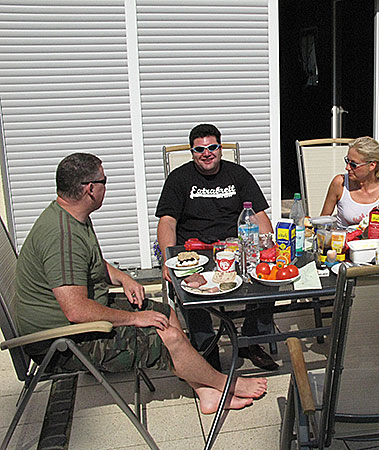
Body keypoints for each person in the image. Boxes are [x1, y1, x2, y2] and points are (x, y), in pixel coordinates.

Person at [14, 153, 267, 414]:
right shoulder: (62, 236)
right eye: (104, 181)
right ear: (90, 189)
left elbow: (89, 262)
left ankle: (206, 393)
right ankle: (227, 384)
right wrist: (135, 318)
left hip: (76, 323)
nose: (105, 186)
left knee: (165, 313)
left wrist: (123, 278)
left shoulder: (71, 215)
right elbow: (76, 310)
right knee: (169, 337)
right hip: (62, 343)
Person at [156, 123, 278, 371]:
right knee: (188, 287)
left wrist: (268, 249)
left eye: (212, 147)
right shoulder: (179, 178)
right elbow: (167, 221)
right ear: (192, 152)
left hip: (235, 249)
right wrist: (168, 260)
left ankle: (251, 341)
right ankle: (207, 347)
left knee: (268, 277)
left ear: (220, 148)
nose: (207, 153)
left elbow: (258, 215)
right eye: (199, 149)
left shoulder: (238, 174)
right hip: (194, 253)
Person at [320, 136, 379, 228]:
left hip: (376, 237)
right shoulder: (340, 183)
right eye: (347, 161)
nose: (347, 167)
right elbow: (322, 222)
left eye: (353, 164)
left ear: (372, 165)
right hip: (343, 236)